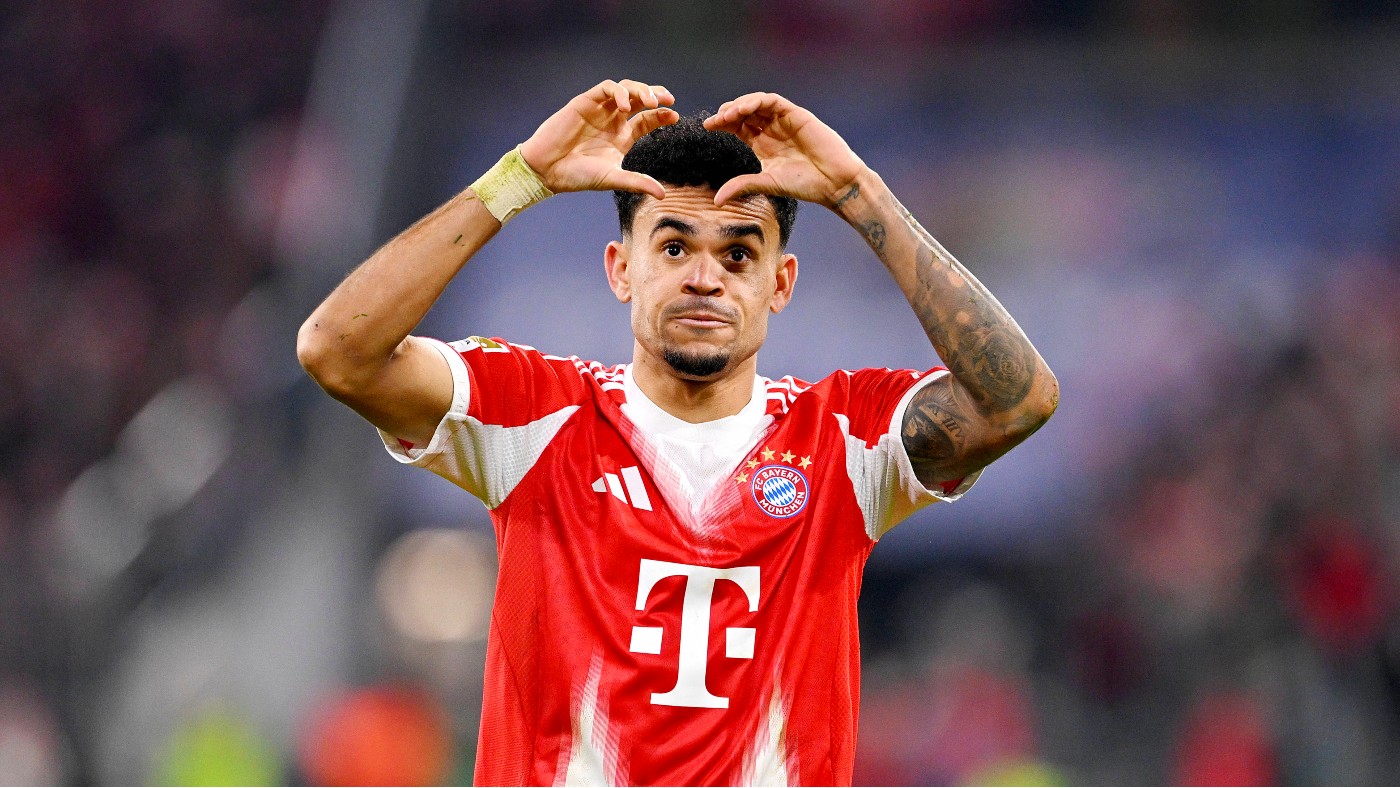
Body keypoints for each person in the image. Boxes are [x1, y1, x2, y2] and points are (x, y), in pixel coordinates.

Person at [297, 79, 1058, 786]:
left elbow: (1016, 402)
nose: (704, 278)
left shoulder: (844, 440)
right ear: (620, 269)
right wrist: (518, 180)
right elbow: (338, 351)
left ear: (780, 283)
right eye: (673, 247)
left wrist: (860, 193)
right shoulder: (534, 411)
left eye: (738, 254)